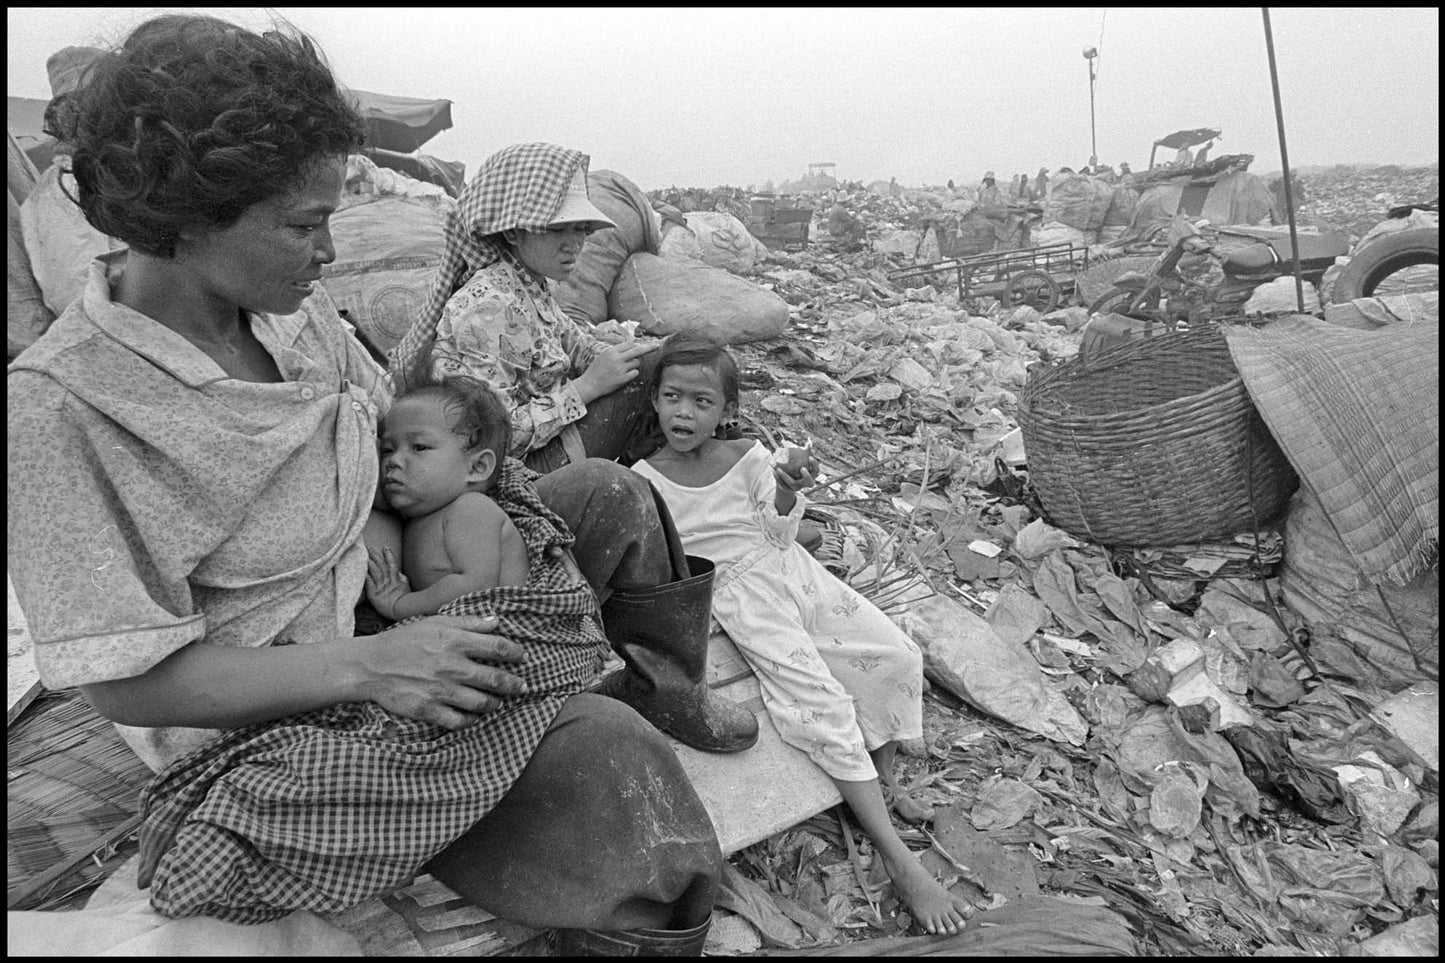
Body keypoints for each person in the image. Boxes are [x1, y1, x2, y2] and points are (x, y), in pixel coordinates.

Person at [6, 14, 747, 956]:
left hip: (390, 595)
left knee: (606, 493)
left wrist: (473, 527)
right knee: (603, 757)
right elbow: (126, 682)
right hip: (289, 701)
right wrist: (375, 663)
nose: (328, 251)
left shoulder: (293, 314)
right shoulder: (65, 409)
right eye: (305, 224)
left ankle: (659, 686)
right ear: (187, 217)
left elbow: (390, 444)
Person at [630, 334, 976, 937]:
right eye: (671, 397)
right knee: (820, 704)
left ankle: (886, 780)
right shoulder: (644, 478)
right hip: (740, 594)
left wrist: (789, 483)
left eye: (701, 401)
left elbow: (783, 527)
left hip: (792, 570)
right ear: (655, 401)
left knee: (893, 655)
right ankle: (899, 857)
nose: (684, 413)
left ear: (726, 408)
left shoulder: (748, 456)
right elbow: (666, 561)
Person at [388, 141, 664, 474]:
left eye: (580, 229)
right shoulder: (489, 307)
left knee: (652, 361)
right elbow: (496, 437)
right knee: (649, 372)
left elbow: (578, 345)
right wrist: (586, 387)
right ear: (516, 232)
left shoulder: (529, 287)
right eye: (558, 229)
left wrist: (624, 351)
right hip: (515, 469)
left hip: (546, 444)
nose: (574, 244)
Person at [363, 376, 529, 621]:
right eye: (388, 449)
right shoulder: (417, 517)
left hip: (507, 630)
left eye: (419, 447)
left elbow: (475, 586)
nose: (393, 461)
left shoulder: (471, 509)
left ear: (477, 467)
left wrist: (400, 604)